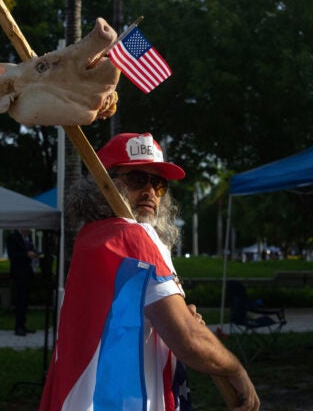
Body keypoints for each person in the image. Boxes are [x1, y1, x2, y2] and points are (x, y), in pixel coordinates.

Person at [40, 133, 259, 411]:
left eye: (158, 184)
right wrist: (236, 370)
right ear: (103, 183)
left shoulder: (92, 237)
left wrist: (174, 315)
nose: (149, 192)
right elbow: (188, 340)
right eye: (136, 179)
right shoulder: (133, 237)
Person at [7, 229, 38, 336]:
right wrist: (26, 254)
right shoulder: (13, 237)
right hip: (18, 273)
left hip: (27, 272)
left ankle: (23, 325)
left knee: (25, 300)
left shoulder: (28, 238)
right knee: (20, 300)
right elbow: (12, 254)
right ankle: (18, 326)